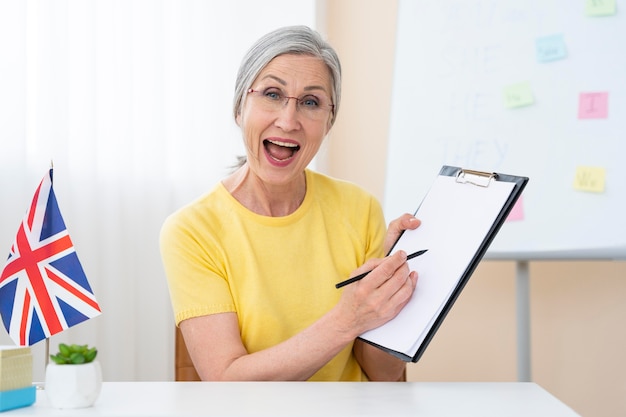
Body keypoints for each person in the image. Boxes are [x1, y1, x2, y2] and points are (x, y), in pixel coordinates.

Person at [160, 25, 420, 382]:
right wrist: (349, 318)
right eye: (271, 94)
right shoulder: (192, 230)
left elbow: (383, 374)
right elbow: (226, 380)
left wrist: (392, 296)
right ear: (239, 108)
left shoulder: (361, 209)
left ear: (329, 122)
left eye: (311, 102)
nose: (288, 121)